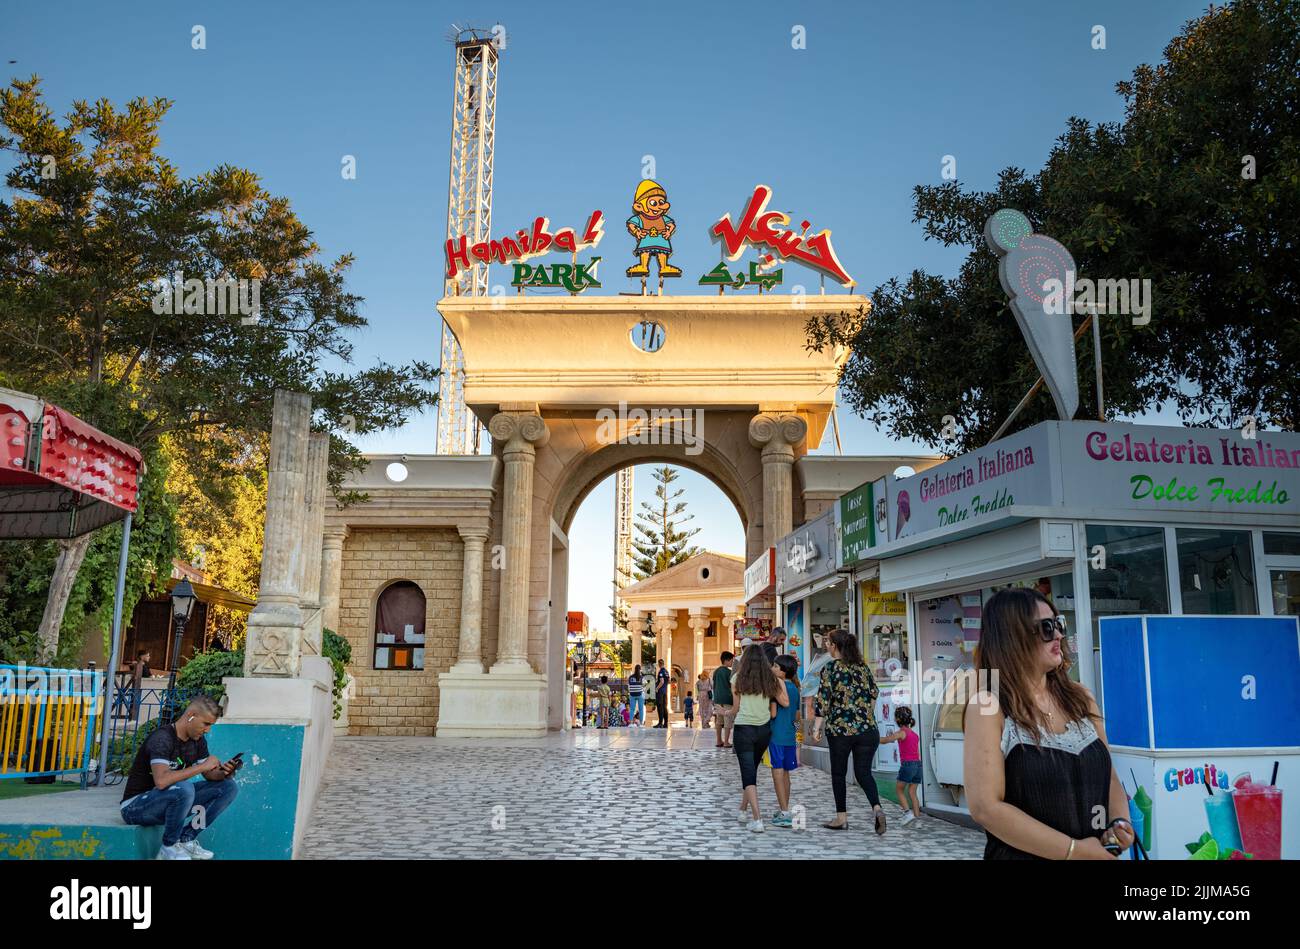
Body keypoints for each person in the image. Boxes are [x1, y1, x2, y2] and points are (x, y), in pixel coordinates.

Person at [964, 588, 1134, 860]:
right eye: (1045, 628)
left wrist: (1119, 823)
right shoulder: (989, 706)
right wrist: (1074, 852)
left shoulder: (1081, 698)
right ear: (1012, 637)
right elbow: (985, 808)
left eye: (1059, 624)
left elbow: (1109, 774)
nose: (1057, 635)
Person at [119, 695, 241, 860]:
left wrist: (225, 772)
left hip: (167, 803)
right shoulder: (162, 738)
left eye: (211, 725)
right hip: (135, 807)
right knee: (184, 788)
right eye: (206, 724)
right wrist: (201, 766)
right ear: (191, 715)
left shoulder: (197, 741)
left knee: (228, 787)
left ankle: (186, 839)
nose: (208, 730)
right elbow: (161, 782)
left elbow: (209, 775)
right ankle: (168, 847)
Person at [813, 628, 887, 834]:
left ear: (835, 646)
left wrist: (816, 728)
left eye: (828, 642)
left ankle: (841, 818)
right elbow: (873, 694)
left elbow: (823, 701)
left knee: (839, 773)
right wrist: (865, 717)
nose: (826, 645)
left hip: (840, 730)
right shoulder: (862, 667)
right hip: (867, 730)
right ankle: (877, 808)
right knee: (864, 772)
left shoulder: (830, 668)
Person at [730, 645, 789, 833]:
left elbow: (736, 708)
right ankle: (742, 810)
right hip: (764, 731)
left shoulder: (737, 678)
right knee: (752, 770)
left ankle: (757, 819)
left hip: (744, 730)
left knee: (748, 774)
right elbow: (785, 702)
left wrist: (724, 711)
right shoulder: (770, 678)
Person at [768, 655, 802, 827]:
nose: (772, 668)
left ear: (782, 671)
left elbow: (773, 714)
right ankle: (785, 809)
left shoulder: (777, 689)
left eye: (775, 666)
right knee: (786, 774)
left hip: (776, 735)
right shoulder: (796, 688)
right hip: (789, 735)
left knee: (777, 773)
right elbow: (797, 716)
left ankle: (785, 812)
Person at [880, 706, 922, 826]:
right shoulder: (914, 734)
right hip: (918, 765)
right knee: (913, 792)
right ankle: (917, 820)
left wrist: (873, 738)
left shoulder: (901, 732)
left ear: (898, 719)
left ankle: (908, 813)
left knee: (899, 790)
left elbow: (886, 740)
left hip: (907, 765)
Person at [712, 651, 735, 748]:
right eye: (731, 661)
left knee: (718, 721)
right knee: (727, 721)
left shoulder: (716, 671)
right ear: (726, 660)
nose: (732, 663)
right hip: (727, 699)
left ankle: (718, 740)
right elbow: (732, 686)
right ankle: (726, 742)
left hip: (717, 699)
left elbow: (714, 684)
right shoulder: (729, 672)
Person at [654, 659, 670, 728]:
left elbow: (662, 681)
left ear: (659, 664)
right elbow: (669, 681)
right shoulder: (666, 671)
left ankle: (660, 723)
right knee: (664, 707)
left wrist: (657, 688)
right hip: (665, 691)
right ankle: (666, 723)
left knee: (660, 707)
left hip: (660, 692)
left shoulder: (661, 672)